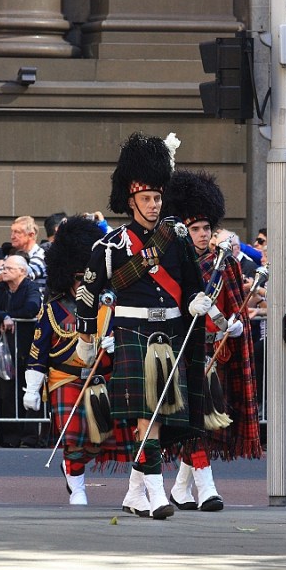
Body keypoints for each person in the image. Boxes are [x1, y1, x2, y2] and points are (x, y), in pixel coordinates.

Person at [74, 132, 208, 520]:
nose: (154, 205)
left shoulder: (177, 240)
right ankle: (156, 491)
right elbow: (89, 291)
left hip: (170, 333)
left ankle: (135, 493)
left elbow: (189, 283)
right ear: (130, 200)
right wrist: (87, 337)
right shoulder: (111, 246)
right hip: (132, 332)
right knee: (147, 417)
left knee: (159, 418)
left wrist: (196, 301)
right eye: (146, 199)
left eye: (158, 198)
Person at [161, 169, 261, 512]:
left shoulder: (227, 264)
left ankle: (180, 489)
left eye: (206, 228)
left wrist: (235, 327)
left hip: (215, 354)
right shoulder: (172, 264)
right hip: (183, 353)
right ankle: (207, 488)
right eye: (195, 229)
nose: (202, 234)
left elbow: (237, 308)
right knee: (195, 424)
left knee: (202, 423)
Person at [24, 215, 133, 505]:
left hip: (102, 379)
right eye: (78, 278)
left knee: (99, 440)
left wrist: (115, 344)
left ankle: (74, 470)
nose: (83, 284)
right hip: (66, 378)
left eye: (88, 277)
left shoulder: (110, 306)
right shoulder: (53, 310)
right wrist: (32, 386)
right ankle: (78, 487)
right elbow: (38, 349)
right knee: (73, 437)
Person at [0, 254, 43, 448]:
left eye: (8, 268)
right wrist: (4, 316)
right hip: (6, 350)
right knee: (7, 393)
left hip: (28, 348)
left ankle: (30, 437)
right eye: (3, 268)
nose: (3, 271)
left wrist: (9, 317)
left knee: (29, 390)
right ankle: (10, 437)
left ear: (22, 271)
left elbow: (32, 308)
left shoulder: (30, 287)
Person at [10, 216, 47, 293]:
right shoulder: (12, 255)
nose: (12, 236)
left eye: (17, 232)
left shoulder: (41, 256)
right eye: (12, 232)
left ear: (31, 235)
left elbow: (18, 277)